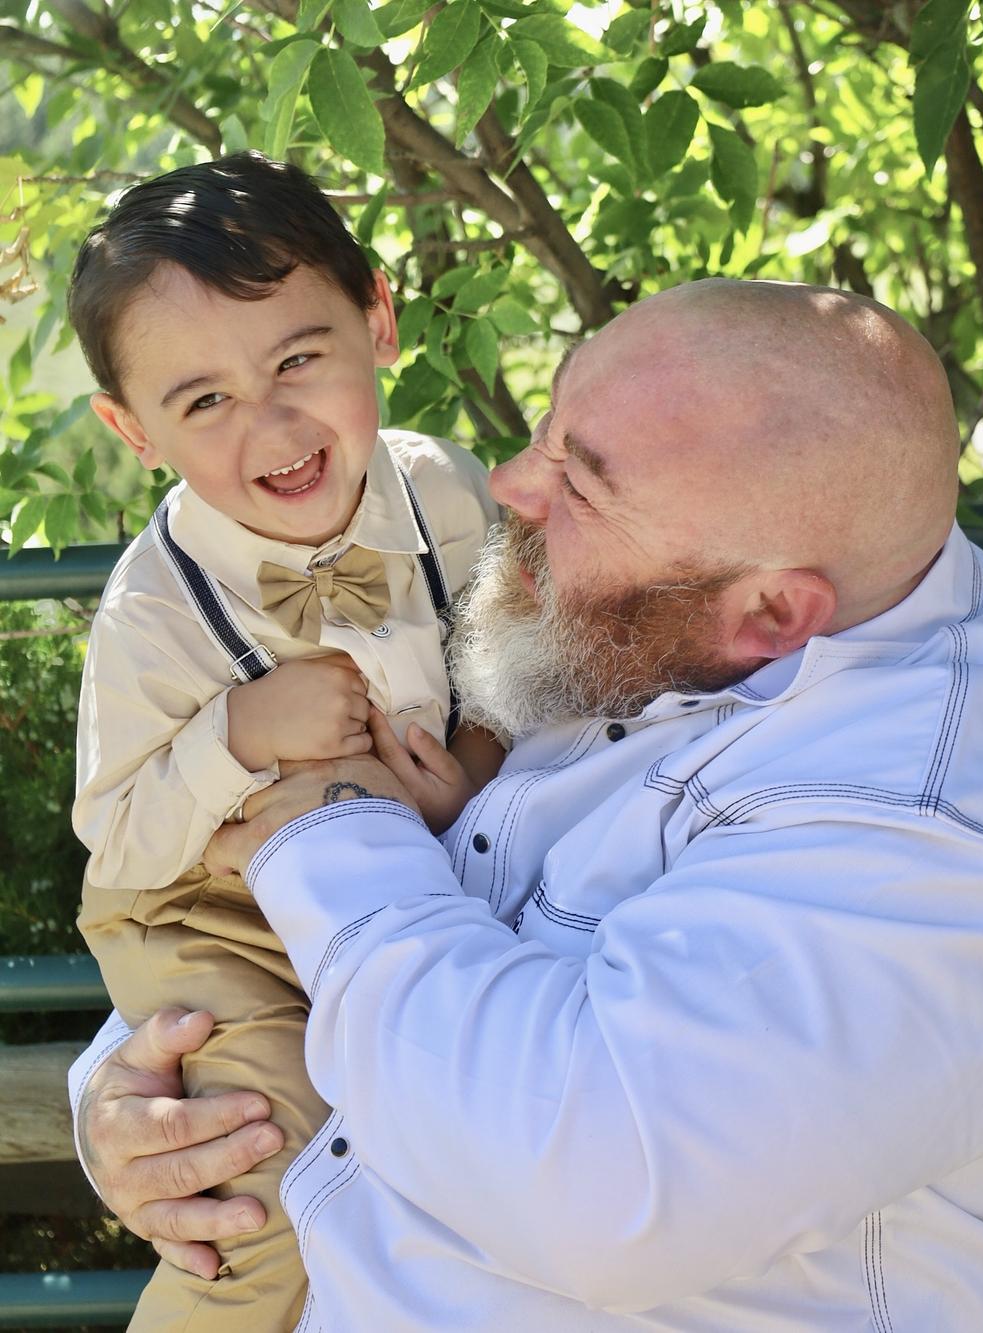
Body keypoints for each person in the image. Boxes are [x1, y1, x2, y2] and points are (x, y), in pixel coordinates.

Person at [72, 279, 983, 1330]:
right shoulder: (633, 633)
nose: (512, 485)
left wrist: (330, 828)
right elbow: (379, 946)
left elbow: (604, 1185)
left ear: (773, 611)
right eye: (548, 428)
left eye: (582, 486)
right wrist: (136, 1096)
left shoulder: (932, 823)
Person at [68, 152, 500, 1331]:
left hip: (408, 868)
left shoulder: (446, 495)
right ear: (133, 428)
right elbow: (121, 841)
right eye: (202, 401)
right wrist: (236, 732)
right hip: (213, 912)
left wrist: (471, 778)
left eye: (298, 359)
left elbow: (509, 677)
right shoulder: (154, 612)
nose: (269, 424)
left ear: (378, 318)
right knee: (260, 1181)